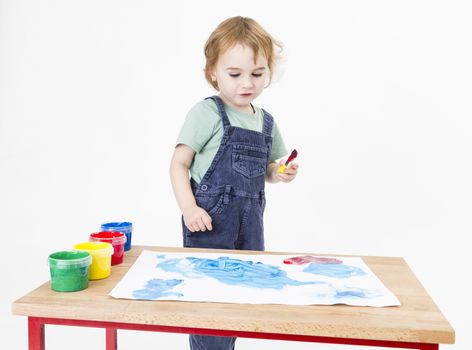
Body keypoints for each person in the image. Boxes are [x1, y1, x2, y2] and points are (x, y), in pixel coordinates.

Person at [169, 16, 298, 350]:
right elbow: (179, 164)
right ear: (213, 72)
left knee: (237, 308)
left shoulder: (267, 122)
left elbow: (269, 169)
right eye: (235, 74)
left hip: (251, 230)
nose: (247, 83)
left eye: (257, 74)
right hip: (210, 227)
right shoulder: (207, 114)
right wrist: (189, 207)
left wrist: (280, 173)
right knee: (209, 311)